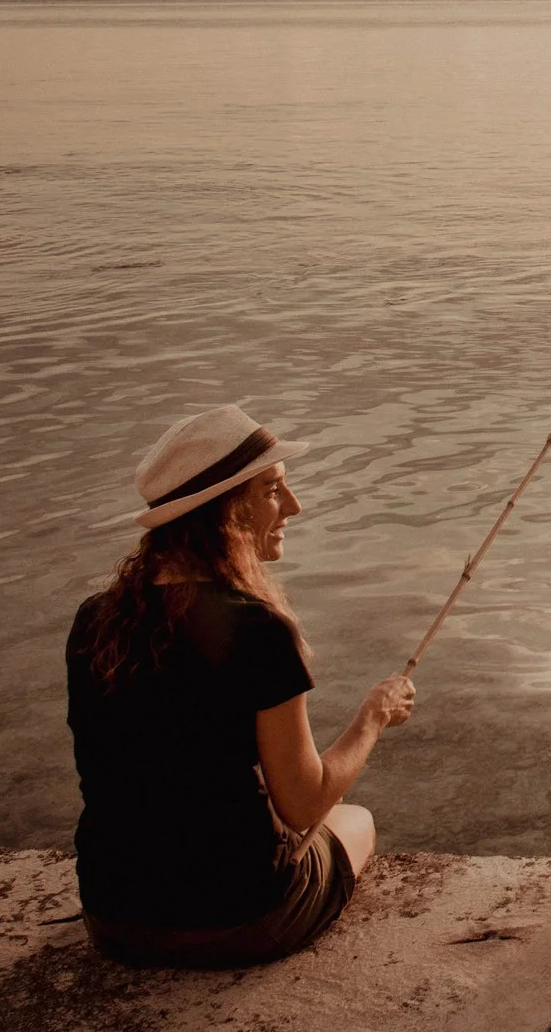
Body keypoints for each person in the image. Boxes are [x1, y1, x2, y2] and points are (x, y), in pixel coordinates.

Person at [65, 403, 417, 967]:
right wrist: (373, 717)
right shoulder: (258, 628)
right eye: (273, 490)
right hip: (236, 920)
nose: (294, 506)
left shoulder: (95, 618)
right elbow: (303, 805)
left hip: (112, 916)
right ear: (227, 511)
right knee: (353, 818)